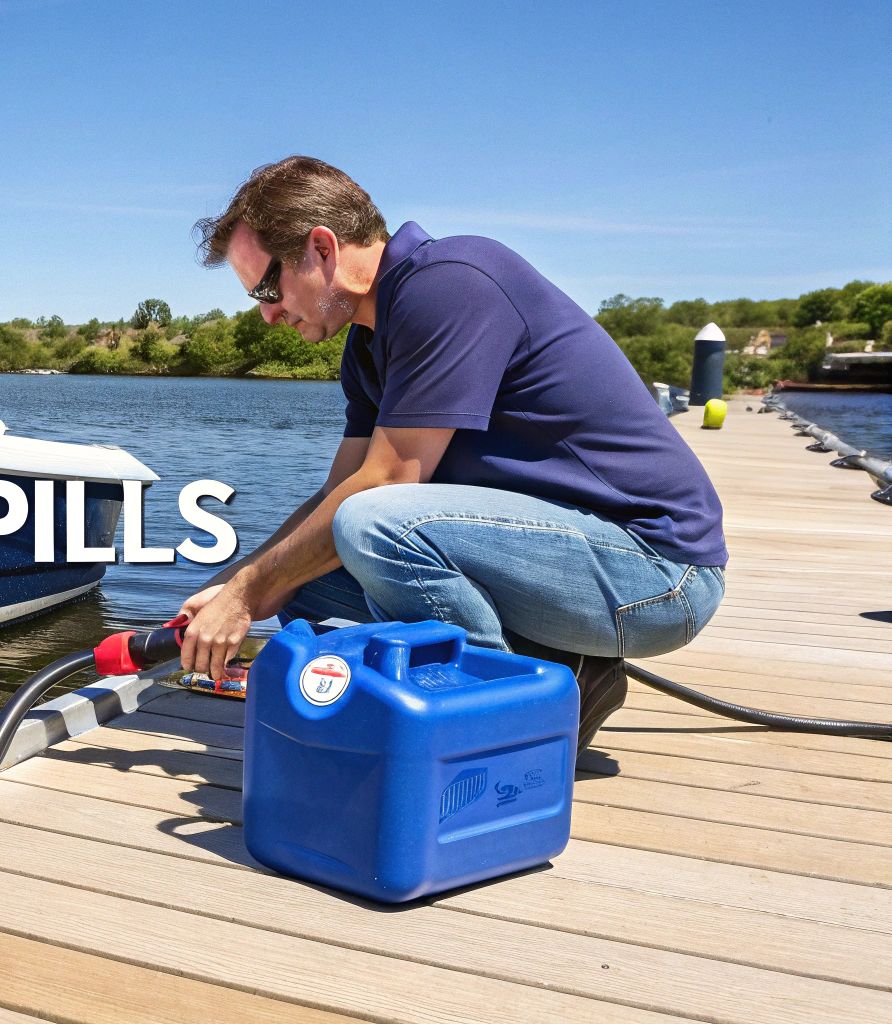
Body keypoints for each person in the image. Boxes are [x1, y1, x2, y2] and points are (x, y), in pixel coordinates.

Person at [179, 156, 726, 752]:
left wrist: (247, 591)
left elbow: (383, 487)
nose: (266, 312)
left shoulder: (451, 281)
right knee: (301, 582)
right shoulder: (367, 347)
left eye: (266, 287)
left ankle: (498, 731)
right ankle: (565, 672)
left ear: (321, 247)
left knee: (369, 523)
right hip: (561, 563)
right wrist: (234, 586)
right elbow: (331, 499)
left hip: (657, 572)